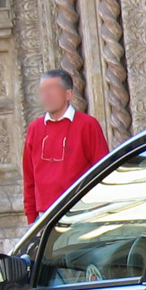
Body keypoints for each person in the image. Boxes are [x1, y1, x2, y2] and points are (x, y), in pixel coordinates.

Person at [22, 69, 109, 223]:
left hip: (80, 214)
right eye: (42, 91)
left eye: (52, 90)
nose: (46, 96)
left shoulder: (87, 125)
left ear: (68, 94)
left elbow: (102, 171)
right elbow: (29, 177)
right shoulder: (35, 128)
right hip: (45, 216)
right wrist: (31, 217)